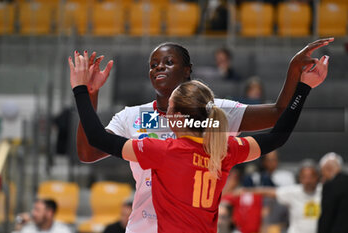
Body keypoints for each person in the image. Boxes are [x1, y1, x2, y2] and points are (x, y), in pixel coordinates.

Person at [74, 38, 333, 233]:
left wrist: (82, 92)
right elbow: (87, 153)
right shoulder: (224, 148)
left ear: (188, 70)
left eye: (168, 61)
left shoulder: (171, 144)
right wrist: (303, 86)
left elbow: (277, 112)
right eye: (153, 64)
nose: (158, 68)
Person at [241, 160, 322, 233]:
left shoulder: (323, 191)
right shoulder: (294, 192)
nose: (308, 181)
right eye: (304, 177)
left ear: (317, 177)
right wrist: (245, 190)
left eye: (311, 177)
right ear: (300, 178)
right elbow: (270, 191)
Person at [318, 152, 348, 233]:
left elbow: (327, 216)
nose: (323, 178)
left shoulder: (330, 186)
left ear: (328, 169)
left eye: (322, 173)